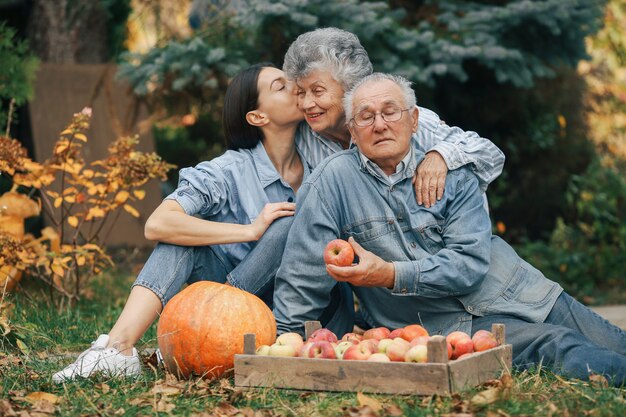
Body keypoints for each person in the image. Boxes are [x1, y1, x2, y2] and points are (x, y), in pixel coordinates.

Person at [272, 73, 626, 386]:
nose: (379, 124)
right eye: (365, 116)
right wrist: (278, 349)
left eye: (390, 111)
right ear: (352, 129)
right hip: (443, 329)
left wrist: (390, 274)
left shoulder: (450, 170)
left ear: (413, 120)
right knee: (560, 346)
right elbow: (302, 273)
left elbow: (468, 265)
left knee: (616, 345)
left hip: (518, 291)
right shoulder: (332, 181)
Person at [53, 64, 316, 382]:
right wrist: (249, 230)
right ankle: (118, 347)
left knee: (290, 225)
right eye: (280, 86)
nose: (296, 87)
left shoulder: (323, 161)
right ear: (258, 117)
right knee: (177, 238)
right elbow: (158, 224)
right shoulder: (229, 170)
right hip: (232, 311)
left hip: (289, 312)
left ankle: (194, 333)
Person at [284, 27, 506, 208]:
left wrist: (441, 156)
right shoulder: (302, 136)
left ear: (350, 87)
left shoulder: (401, 118)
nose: (306, 104)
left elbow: (491, 156)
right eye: (301, 92)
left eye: (318, 91)